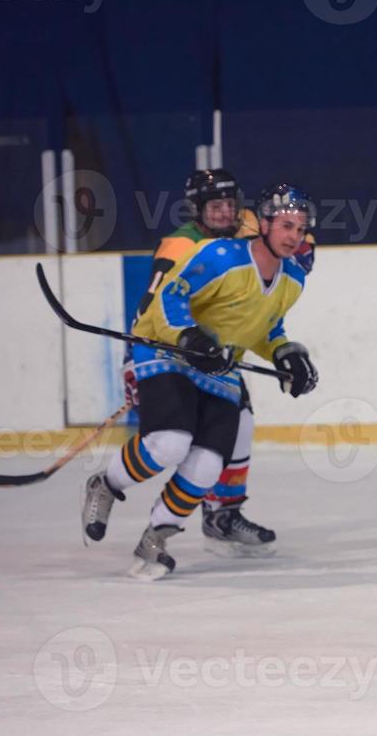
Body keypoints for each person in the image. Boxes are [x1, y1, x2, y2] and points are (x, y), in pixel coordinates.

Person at [83, 184, 321, 579]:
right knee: (169, 442)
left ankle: (155, 537)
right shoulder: (221, 256)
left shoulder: (293, 277)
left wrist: (285, 353)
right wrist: (191, 338)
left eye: (300, 228)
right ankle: (105, 485)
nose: (294, 235)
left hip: (217, 369)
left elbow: (265, 326)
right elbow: (168, 298)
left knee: (209, 465)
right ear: (262, 224)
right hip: (167, 353)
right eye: (286, 225)